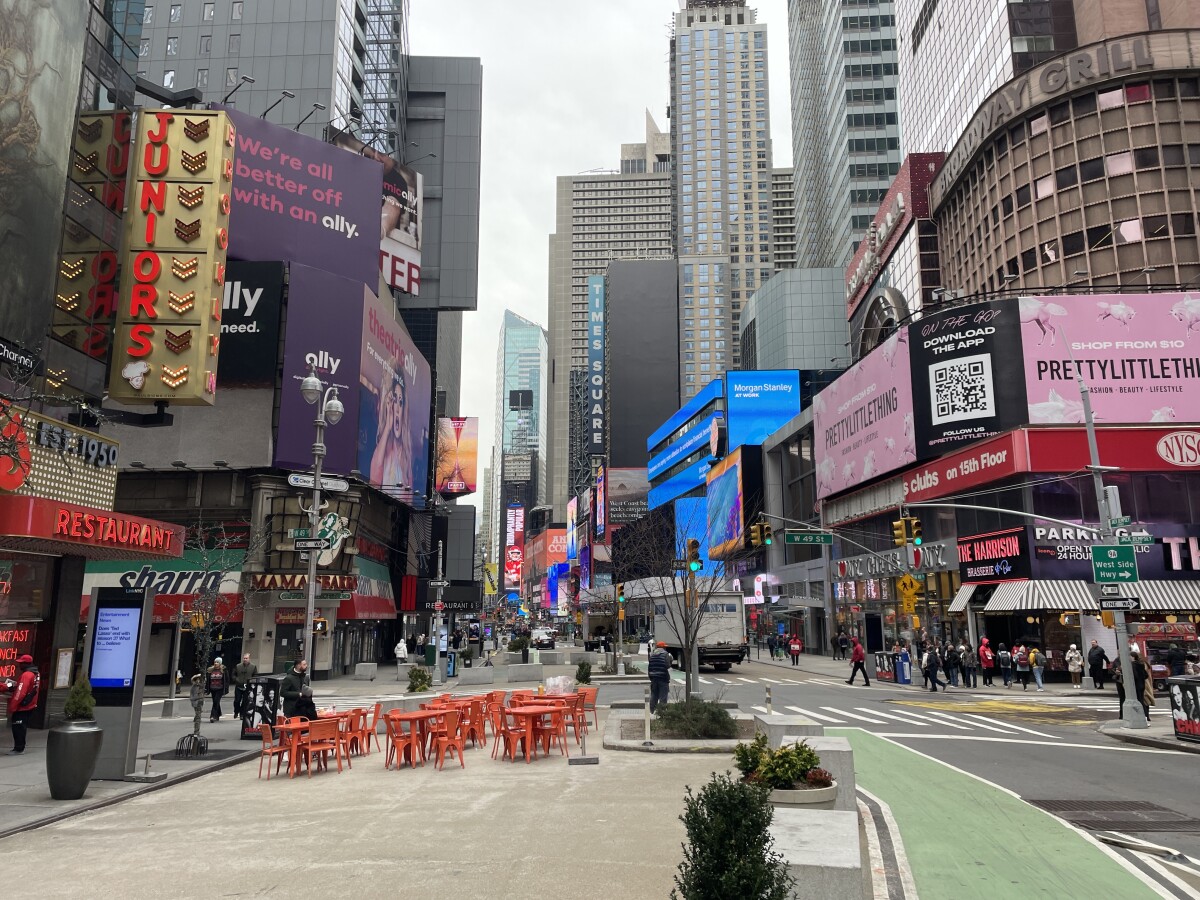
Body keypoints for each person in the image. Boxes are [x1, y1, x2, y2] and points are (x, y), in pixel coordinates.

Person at [368, 369, 414, 490]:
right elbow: (374, 480)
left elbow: (410, 498)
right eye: (394, 401)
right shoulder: (383, 450)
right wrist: (388, 427)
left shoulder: (406, 457)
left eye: (401, 401)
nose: (398, 409)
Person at [1, 654, 40, 754]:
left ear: (25, 664)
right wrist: (4, 686)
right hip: (29, 705)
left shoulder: (26, 675)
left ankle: (18, 748)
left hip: (22, 706)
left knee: (18, 727)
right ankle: (19, 747)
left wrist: (13, 707)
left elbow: (20, 691)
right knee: (21, 726)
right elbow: (18, 686)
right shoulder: (35, 673)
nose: (19, 665)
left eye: (20, 663)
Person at [648, 642, 673, 712]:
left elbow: (649, 666)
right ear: (663, 647)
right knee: (663, 696)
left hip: (653, 677)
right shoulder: (666, 654)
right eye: (665, 647)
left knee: (654, 695)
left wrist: (651, 677)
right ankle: (662, 712)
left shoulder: (652, 655)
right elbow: (668, 665)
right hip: (663, 677)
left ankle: (652, 711)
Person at [231, 653, 258, 720]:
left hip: (247, 686)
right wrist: (236, 680)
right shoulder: (238, 666)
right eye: (244, 658)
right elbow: (233, 674)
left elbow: (255, 675)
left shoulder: (253, 667)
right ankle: (236, 711)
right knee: (237, 700)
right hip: (239, 686)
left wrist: (252, 681)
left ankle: (242, 714)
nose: (245, 659)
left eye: (246, 658)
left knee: (245, 701)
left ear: (249, 659)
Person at [207, 657, 228, 722]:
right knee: (215, 702)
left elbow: (227, 680)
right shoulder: (210, 670)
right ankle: (218, 713)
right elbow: (208, 680)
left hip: (220, 688)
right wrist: (207, 688)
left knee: (216, 701)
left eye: (217, 662)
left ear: (220, 663)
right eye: (215, 662)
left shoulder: (223, 670)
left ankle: (213, 716)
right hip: (212, 688)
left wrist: (225, 689)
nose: (216, 663)